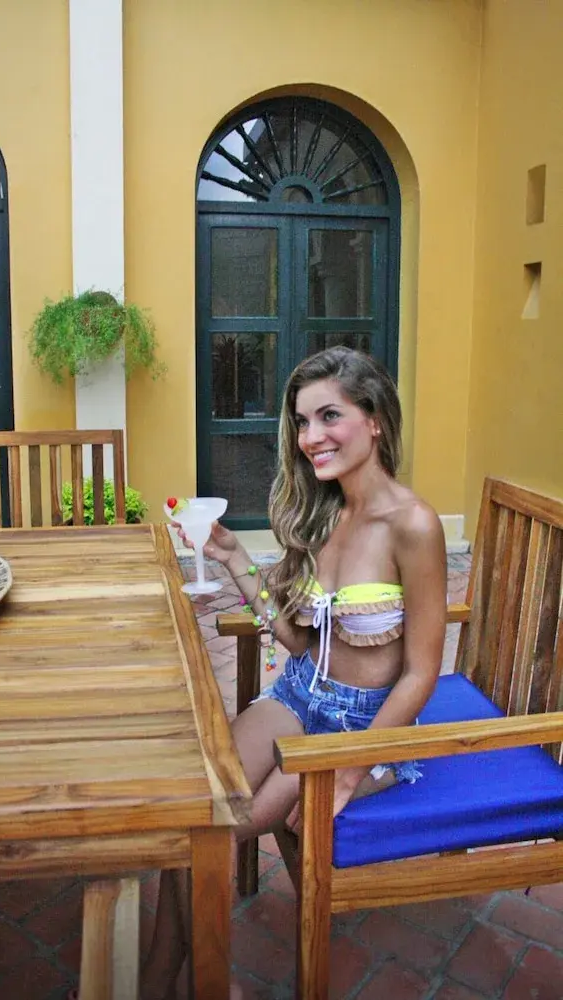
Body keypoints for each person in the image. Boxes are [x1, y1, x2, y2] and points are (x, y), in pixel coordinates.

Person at [141, 346, 447, 999]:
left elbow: (421, 674)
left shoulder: (414, 524)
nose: (310, 437)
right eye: (303, 422)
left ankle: (193, 986)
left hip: (361, 730)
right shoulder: (326, 511)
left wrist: (352, 770)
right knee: (194, 809)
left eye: (329, 416)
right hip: (299, 693)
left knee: (209, 838)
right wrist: (233, 558)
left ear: (375, 421)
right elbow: (299, 639)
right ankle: (161, 983)